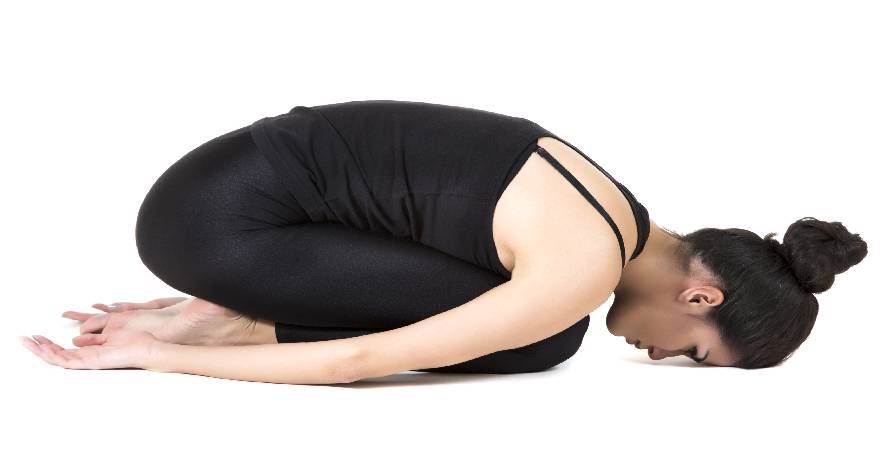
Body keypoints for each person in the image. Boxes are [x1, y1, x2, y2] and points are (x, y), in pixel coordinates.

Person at [20, 100, 868, 384]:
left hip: (210, 194)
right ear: (701, 298)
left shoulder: (617, 206)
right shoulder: (583, 265)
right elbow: (354, 362)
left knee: (543, 329)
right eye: (695, 353)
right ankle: (210, 322)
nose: (660, 356)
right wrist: (159, 356)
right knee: (543, 334)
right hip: (216, 227)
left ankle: (210, 308)